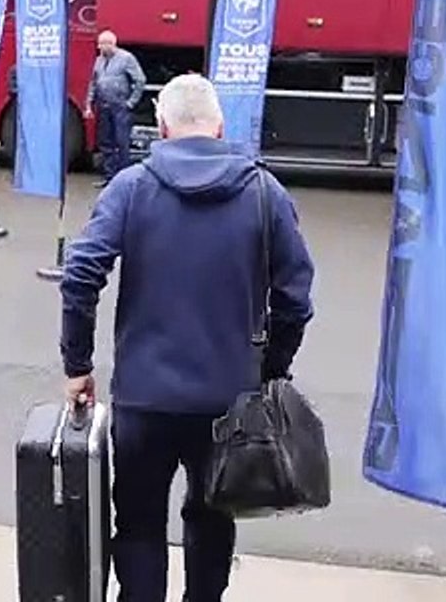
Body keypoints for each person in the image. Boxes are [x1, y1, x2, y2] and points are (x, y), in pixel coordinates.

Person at [59, 73, 315, 602]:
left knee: (138, 523)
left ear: (161, 126)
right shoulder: (264, 193)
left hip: (143, 398)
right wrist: (270, 367)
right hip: (227, 401)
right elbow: (295, 298)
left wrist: (77, 363)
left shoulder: (132, 187)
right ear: (220, 126)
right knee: (212, 518)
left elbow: (81, 272)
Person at [84, 29, 145, 187]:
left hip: (120, 107)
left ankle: (124, 180)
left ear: (112, 43)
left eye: (103, 44)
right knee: (105, 143)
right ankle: (110, 177)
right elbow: (94, 82)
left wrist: (131, 102)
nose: (100, 47)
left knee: (121, 142)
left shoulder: (126, 58)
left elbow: (140, 80)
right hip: (103, 106)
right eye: (99, 44)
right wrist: (88, 104)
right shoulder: (98, 61)